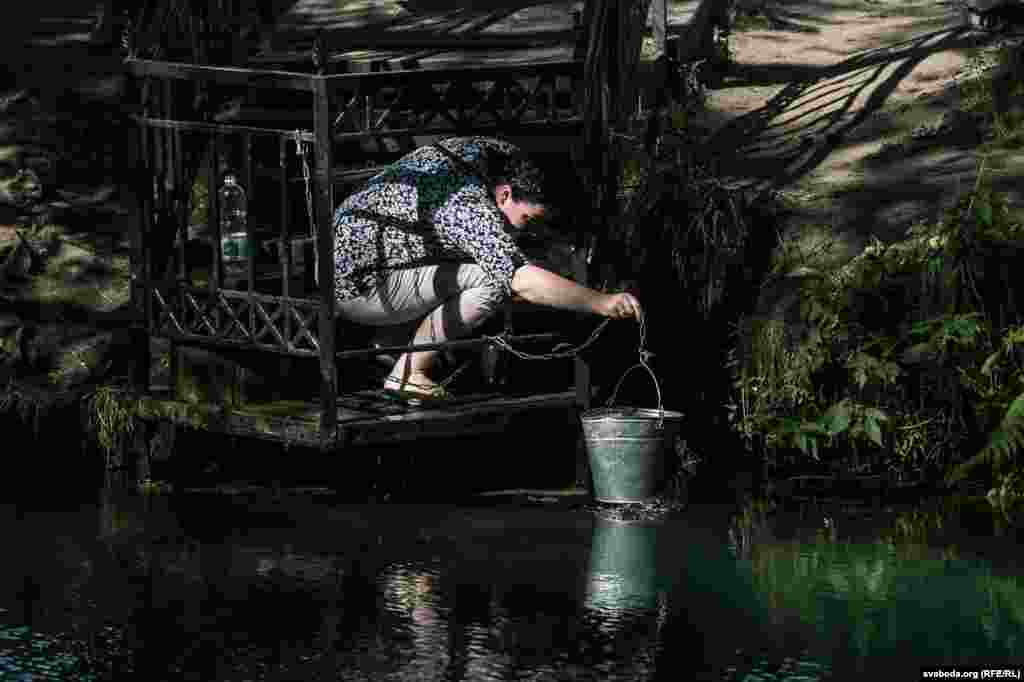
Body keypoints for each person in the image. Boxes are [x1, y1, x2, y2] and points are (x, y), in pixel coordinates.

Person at [332, 136, 642, 403]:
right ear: (505, 193)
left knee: (469, 256)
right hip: (355, 286)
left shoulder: (496, 154)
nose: (529, 234)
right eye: (528, 222)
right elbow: (520, 280)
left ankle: (390, 343)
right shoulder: (469, 208)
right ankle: (408, 373)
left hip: (363, 255)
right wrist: (601, 301)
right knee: (492, 281)